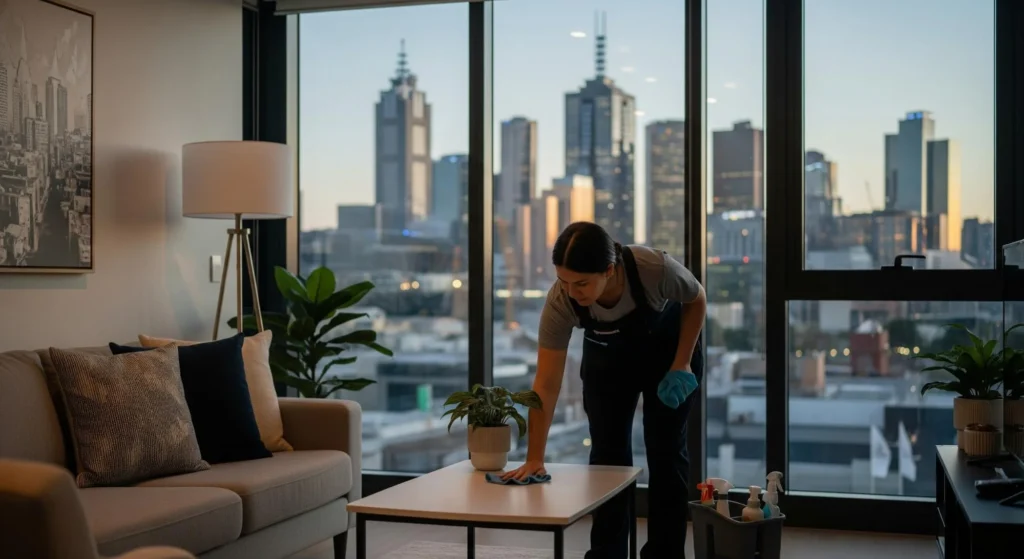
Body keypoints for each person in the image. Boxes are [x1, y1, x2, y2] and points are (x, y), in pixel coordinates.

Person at [503, 221, 706, 559]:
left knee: (666, 451)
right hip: (608, 360)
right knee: (607, 456)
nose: (572, 292)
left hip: (669, 353)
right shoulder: (561, 302)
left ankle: (665, 553)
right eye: (564, 281)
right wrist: (534, 457)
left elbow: (696, 298)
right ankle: (608, 552)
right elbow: (547, 382)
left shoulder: (653, 268)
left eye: (581, 283)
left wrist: (682, 362)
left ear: (609, 270)